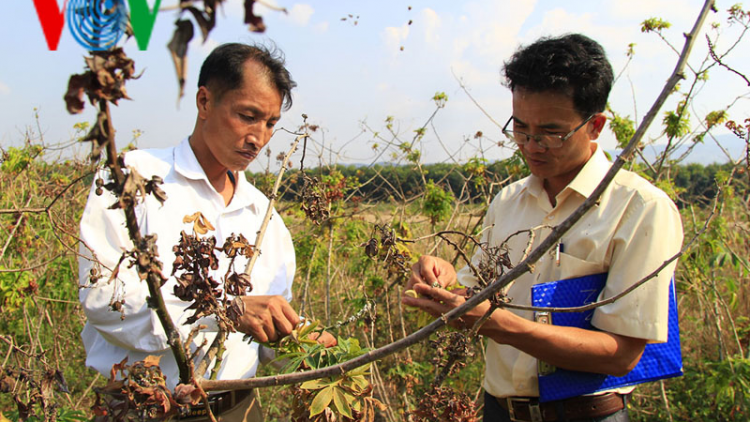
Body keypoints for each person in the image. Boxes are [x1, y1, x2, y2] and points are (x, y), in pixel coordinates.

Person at [403, 34, 683, 422]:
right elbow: (478, 288)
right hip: (499, 410)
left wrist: (499, 325)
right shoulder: (509, 201)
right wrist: (445, 280)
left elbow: (621, 354)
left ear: (595, 125)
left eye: (552, 132)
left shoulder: (639, 210)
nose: (532, 146)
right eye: (520, 128)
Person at [78, 43, 333, 421]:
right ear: (204, 102)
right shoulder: (134, 179)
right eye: (248, 116)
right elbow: (104, 300)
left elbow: (265, 337)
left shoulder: (264, 218)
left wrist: (300, 339)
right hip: (143, 410)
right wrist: (224, 311)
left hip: (237, 409)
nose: (259, 138)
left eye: (271, 123)